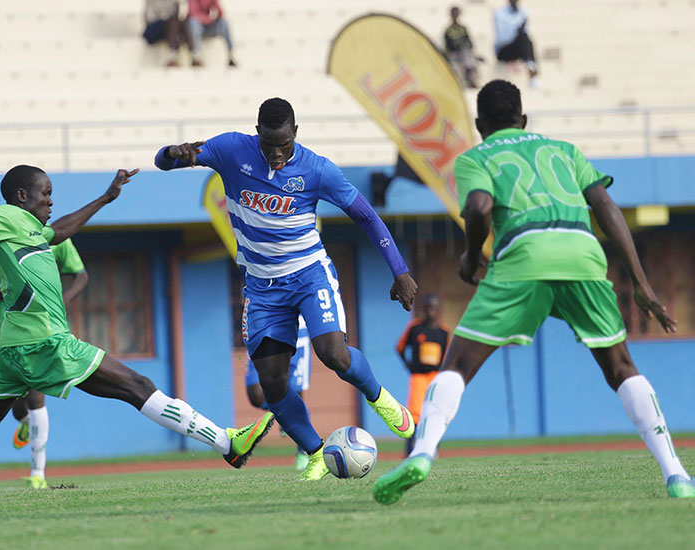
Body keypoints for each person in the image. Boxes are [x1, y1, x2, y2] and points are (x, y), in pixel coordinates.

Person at [372, 79, 695, 504]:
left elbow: (480, 208)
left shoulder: (476, 158)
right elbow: (606, 207)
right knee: (621, 368)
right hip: (583, 255)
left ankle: (424, 453)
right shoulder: (567, 151)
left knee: (459, 364)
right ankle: (676, 474)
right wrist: (641, 282)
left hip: (522, 258)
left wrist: (471, 258)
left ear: (480, 125)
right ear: (523, 120)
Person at [0, 166, 274, 501]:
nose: (50, 200)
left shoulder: (30, 230)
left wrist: (104, 198)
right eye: (44, 193)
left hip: (14, 349)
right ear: (20, 196)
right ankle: (227, 443)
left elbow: (60, 230)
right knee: (137, 385)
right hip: (46, 343)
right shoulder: (4, 217)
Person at [154, 97, 419, 481]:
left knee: (333, 354)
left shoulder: (317, 169)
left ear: (296, 133)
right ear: (257, 132)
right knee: (271, 383)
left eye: (284, 145)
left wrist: (400, 271)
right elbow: (165, 162)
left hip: (310, 274)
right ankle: (314, 452)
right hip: (262, 288)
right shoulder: (231, 149)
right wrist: (172, 152)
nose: (277, 154)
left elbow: (365, 215)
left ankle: (381, 398)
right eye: (269, 145)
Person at [0, 237, 88, 489]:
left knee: (37, 399)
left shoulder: (55, 236)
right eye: (44, 194)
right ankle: (27, 424)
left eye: (49, 194)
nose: (47, 202)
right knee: (18, 409)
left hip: (46, 333)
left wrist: (65, 298)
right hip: (11, 337)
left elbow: (80, 275)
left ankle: (38, 474)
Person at [245, 315, 312, 471]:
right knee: (256, 394)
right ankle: (283, 411)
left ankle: (305, 449)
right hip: (262, 328)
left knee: (296, 393)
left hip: (297, 333)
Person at [396, 293, 449, 456]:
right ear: (424, 309)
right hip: (418, 377)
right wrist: (409, 366)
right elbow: (400, 348)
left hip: (435, 378)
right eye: (428, 308)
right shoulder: (415, 328)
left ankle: (434, 448)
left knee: (435, 411)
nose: (431, 312)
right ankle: (409, 450)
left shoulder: (444, 332)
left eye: (435, 309)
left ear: (439, 311)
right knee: (415, 413)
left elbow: (446, 356)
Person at [493, 0, 539, 87]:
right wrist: (517, 31)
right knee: (522, 37)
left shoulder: (523, 13)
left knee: (526, 40)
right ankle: (530, 65)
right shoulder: (500, 13)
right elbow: (501, 37)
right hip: (504, 49)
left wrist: (520, 32)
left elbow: (526, 34)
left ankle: (531, 67)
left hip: (519, 47)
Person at [186, 0, 236, 68]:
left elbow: (221, 13)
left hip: (208, 26)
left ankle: (231, 56)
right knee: (193, 23)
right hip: (198, 27)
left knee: (224, 23)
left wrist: (215, 9)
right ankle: (196, 57)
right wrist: (208, 19)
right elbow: (193, 14)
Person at [142, 0, 191, 68]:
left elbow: (174, 14)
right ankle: (173, 55)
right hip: (152, 28)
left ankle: (173, 55)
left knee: (178, 23)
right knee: (173, 23)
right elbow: (150, 18)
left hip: (167, 27)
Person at [444, 6, 479, 89]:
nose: (455, 15)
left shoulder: (463, 28)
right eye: (454, 13)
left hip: (464, 54)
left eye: (457, 13)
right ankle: (467, 75)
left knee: (467, 53)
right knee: (464, 54)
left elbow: (470, 42)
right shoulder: (448, 30)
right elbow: (448, 46)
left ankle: (470, 76)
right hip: (454, 54)